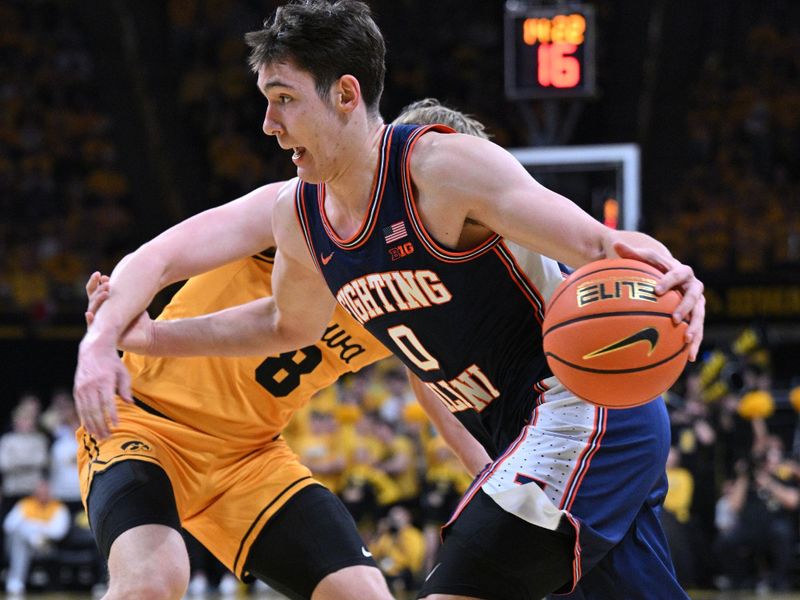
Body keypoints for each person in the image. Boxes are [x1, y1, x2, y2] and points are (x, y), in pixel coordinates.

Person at [73, 4, 704, 596]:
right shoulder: (300, 214)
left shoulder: (440, 169)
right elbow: (283, 322)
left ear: (346, 94)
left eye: (284, 100)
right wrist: (140, 338)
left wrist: (675, 276)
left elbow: (599, 240)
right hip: (519, 429)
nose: (267, 124)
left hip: (576, 407)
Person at [73, 99, 490, 600]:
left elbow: (436, 395)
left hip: (250, 456)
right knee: (153, 582)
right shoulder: (297, 211)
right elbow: (157, 257)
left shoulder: (423, 282)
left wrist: (493, 482)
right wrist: (99, 342)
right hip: (144, 424)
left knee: (363, 595)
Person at [3, 478, 70, 596]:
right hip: (20, 547)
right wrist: (35, 532)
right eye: (40, 490)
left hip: (45, 548)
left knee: (29, 537)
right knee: (20, 539)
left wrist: (32, 526)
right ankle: (16, 582)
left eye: (45, 491)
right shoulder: (25, 504)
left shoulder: (58, 507)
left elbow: (59, 532)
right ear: (35, 492)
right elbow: (8, 526)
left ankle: (15, 580)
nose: (42, 494)